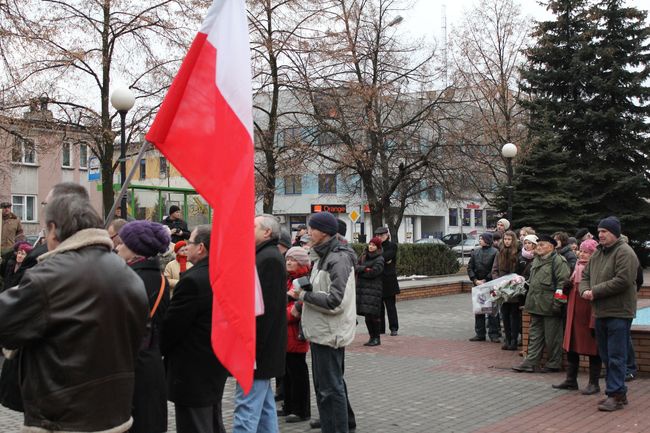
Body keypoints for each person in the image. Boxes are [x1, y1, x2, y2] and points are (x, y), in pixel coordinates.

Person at [0, 191, 149, 432]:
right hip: (113, 414)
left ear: (53, 229)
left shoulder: (49, 277)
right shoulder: (128, 275)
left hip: (63, 418)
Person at [288, 211, 357, 433]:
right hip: (321, 332)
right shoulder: (323, 256)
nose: (308, 232)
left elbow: (336, 301)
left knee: (331, 390)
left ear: (325, 232)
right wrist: (302, 299)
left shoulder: (338, 259)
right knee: (325, 389)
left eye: (312, 228)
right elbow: (320, 288)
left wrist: (303, 297)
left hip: (330, 334)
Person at [162, 225, 229, 433]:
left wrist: (158, 349)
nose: (186, 247)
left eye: (189, 242)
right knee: (212, 421)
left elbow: (172, 327)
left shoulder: (192, 280)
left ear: (200, 247)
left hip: (192, 369)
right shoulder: (221, 274)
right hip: (213, 361)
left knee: (196, 424)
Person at [233, 214, 287, 433]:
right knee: (264, 408)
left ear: (267, 232)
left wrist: (250, 347)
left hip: (258, 348)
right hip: (261, 348)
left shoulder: (268, 259)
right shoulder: (264, 256)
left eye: (252, 226)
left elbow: (266, 310)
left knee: (246, 410)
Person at [116, 220, 171, 433]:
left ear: (135, 250)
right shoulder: (161, 278)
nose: (118, 247)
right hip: (152, 363)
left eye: (122, 243)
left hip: (127, 365)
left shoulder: (126, 279)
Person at [580, 217, 639, 412]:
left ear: (615, 233)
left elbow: (623, 280)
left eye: (605, 231)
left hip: (619, 311)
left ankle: (614, 394)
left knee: (616, 355)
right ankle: (619, 392)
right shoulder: (598, 253)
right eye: (599, 231)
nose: (601, 234)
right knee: (606, 354)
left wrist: (594, 291)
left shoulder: (625, 252)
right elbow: (586, 275)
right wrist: (584, 290)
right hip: (601, 311)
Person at [513, 234, 569, 373]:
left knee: (553, 338)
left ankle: (554, 363)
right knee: (534, 336)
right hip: (535, 305)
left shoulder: (558, 262)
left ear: (551, 247)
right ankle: (530, 362)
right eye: (538, 244)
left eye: (542, 244)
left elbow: (562, 285)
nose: (538, 247)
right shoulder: (536, 260)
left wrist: (558, 303)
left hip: (550, 306)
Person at [553, 239, 601, 395]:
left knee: (593, 349)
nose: (582, 254)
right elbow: (572, 290)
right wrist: (567, 289)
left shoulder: (596, 269)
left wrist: (594, 320)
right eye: (581, 250)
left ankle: (594, 383)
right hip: (573, 313)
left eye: (586, 251)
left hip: (588, 314)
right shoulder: (577, 266)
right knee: (571, 347)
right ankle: (571, 380)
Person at [281, 246, 312, 423]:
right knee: (287, 372)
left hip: (296, 333)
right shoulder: (289, 279)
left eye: (292, 260)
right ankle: (289, 406)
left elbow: (299, 308)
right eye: (287, 259)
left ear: (301, 262)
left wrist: (282, 314)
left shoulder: (303, 281)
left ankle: (301, 410)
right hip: (286, 333)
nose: (289, 262)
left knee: (297, 372)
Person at [468, 232, 500, 342]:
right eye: (479, 238)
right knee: (479, 310)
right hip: (478, 285)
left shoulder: (495, 252)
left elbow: (495, 269)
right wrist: (475, 280)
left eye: (482, 238)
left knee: (493, 311)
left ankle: (494, 334)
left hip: (491, 284)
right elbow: (470, 268)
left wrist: (486, 280)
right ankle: (480, 333)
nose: (480, 240)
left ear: (487, 240)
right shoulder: (475, 252)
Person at [492, 230, 519, 350]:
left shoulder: (517, 253)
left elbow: (519, 270)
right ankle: (507, 339)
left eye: (509, 239)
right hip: (502, 287)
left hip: (514, 288)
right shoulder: (499, 253)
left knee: (514, 316)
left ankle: (514, 340)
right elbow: (495, 269)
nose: (507, 241)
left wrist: (514, 281)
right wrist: (498, 281)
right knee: (505, 315)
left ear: (513, 240)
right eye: (505, 239)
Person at [356, 237, 385, 347]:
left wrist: (363, 270)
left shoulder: (380, 258)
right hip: (363, 290)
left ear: (377, 247)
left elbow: (374, 272)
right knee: (367, 316)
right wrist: (365, 269)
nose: (371, 246)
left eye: (373, 245)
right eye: (370, 244)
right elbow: (355, 267)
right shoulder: (363, 256)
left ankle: (377, 338)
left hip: (374, 290)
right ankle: (371, 337)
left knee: (374, 315)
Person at [374, 227, 400, 336]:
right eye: (378, 236)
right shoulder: (374, 246)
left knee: (390, 307)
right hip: (377, 281)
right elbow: (368, 258)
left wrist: (376, 258)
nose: (380, 237)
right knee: (379, 308)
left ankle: (394, 328)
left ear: (387, 235)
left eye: (382, 235)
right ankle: (381, 329)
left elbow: (387, 256)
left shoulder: (392, 246)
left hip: (389, 281)